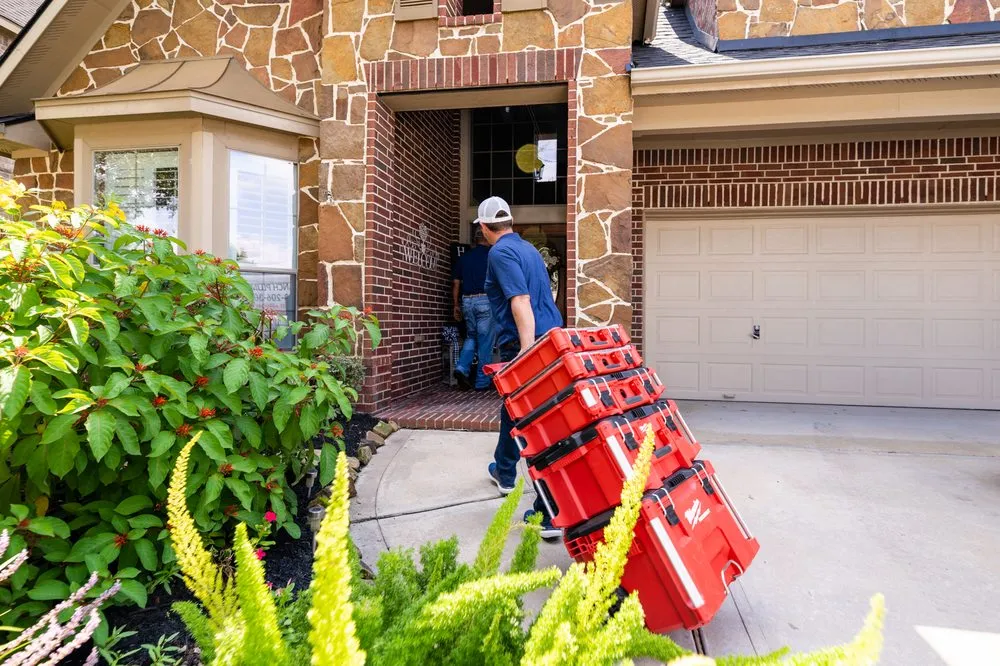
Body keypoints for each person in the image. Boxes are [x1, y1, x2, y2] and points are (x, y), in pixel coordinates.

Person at [477, 196, 564, 540]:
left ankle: (548, 512)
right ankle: (504, 470)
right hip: (550, 336)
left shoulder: (499, 253)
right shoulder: (528, 250)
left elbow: (521, 301)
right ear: (510, 222)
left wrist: (526, 354)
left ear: (484, 228)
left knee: (538, 427)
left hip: (529, 345)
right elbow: (547, 296)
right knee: (514, 412)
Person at [452, 228, 496, 391]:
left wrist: (456, 305)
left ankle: (462, 368)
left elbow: (456, 283)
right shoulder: (492, 256)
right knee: (485, 342)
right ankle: (482, 382)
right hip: (485, 300)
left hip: (467, 301)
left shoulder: (464, 257)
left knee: (472, 336)